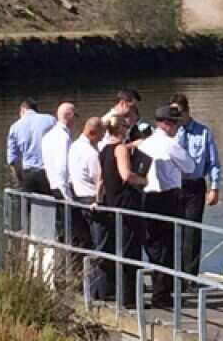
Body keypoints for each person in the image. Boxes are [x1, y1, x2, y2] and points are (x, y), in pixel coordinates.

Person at [138, 104, 195, 308]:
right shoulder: (171, 145)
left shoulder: (144, 144)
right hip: (168, 198)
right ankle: (162, 294)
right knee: (168, 246)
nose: (177, 128)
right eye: (175, 123)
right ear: (168, 124)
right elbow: (190, 166)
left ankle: (159, 289)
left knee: (153, 245)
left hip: (145, 197)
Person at [99, 112, 148, 307]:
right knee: (130, 250)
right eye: (126, 128)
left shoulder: (104, 149)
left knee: (118, 248)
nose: (128, 131)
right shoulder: (120, 149)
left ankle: (121, 293)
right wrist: (144, 180)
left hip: (111, 202)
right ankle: (130, 298)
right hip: (125, 203)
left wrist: (97, 199)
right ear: (120, 129)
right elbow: (126, 175)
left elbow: (101, 179)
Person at [172, 93, 221, 277]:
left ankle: (190, 276)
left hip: (194, 185)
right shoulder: (171, 133)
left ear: (187, 111)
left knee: (192, 231)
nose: (177, 118)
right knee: (174, 229)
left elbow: (213, 162)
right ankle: (174, 273)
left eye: (180, 113)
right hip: (173, 185)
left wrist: (214, 187)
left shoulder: (203, 132)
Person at [69, 116, 106, 295]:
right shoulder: (91, 154)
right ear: (92, 132)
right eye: (100, 134)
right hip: (91, 200)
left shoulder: (74, 147)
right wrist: (100, 200)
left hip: (78, 199)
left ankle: (84, 286)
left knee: (84, 244)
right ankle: (98, 288)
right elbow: (98, 180)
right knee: (99, 245)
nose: (102, 137)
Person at [6, 99, 57, 195]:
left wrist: (21, 181)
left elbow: (12, 160)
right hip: (48, 173)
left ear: (22, 109)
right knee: (52, 206)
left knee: (28, 207)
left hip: (28, 174)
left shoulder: (14, 127)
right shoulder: (50, 120)